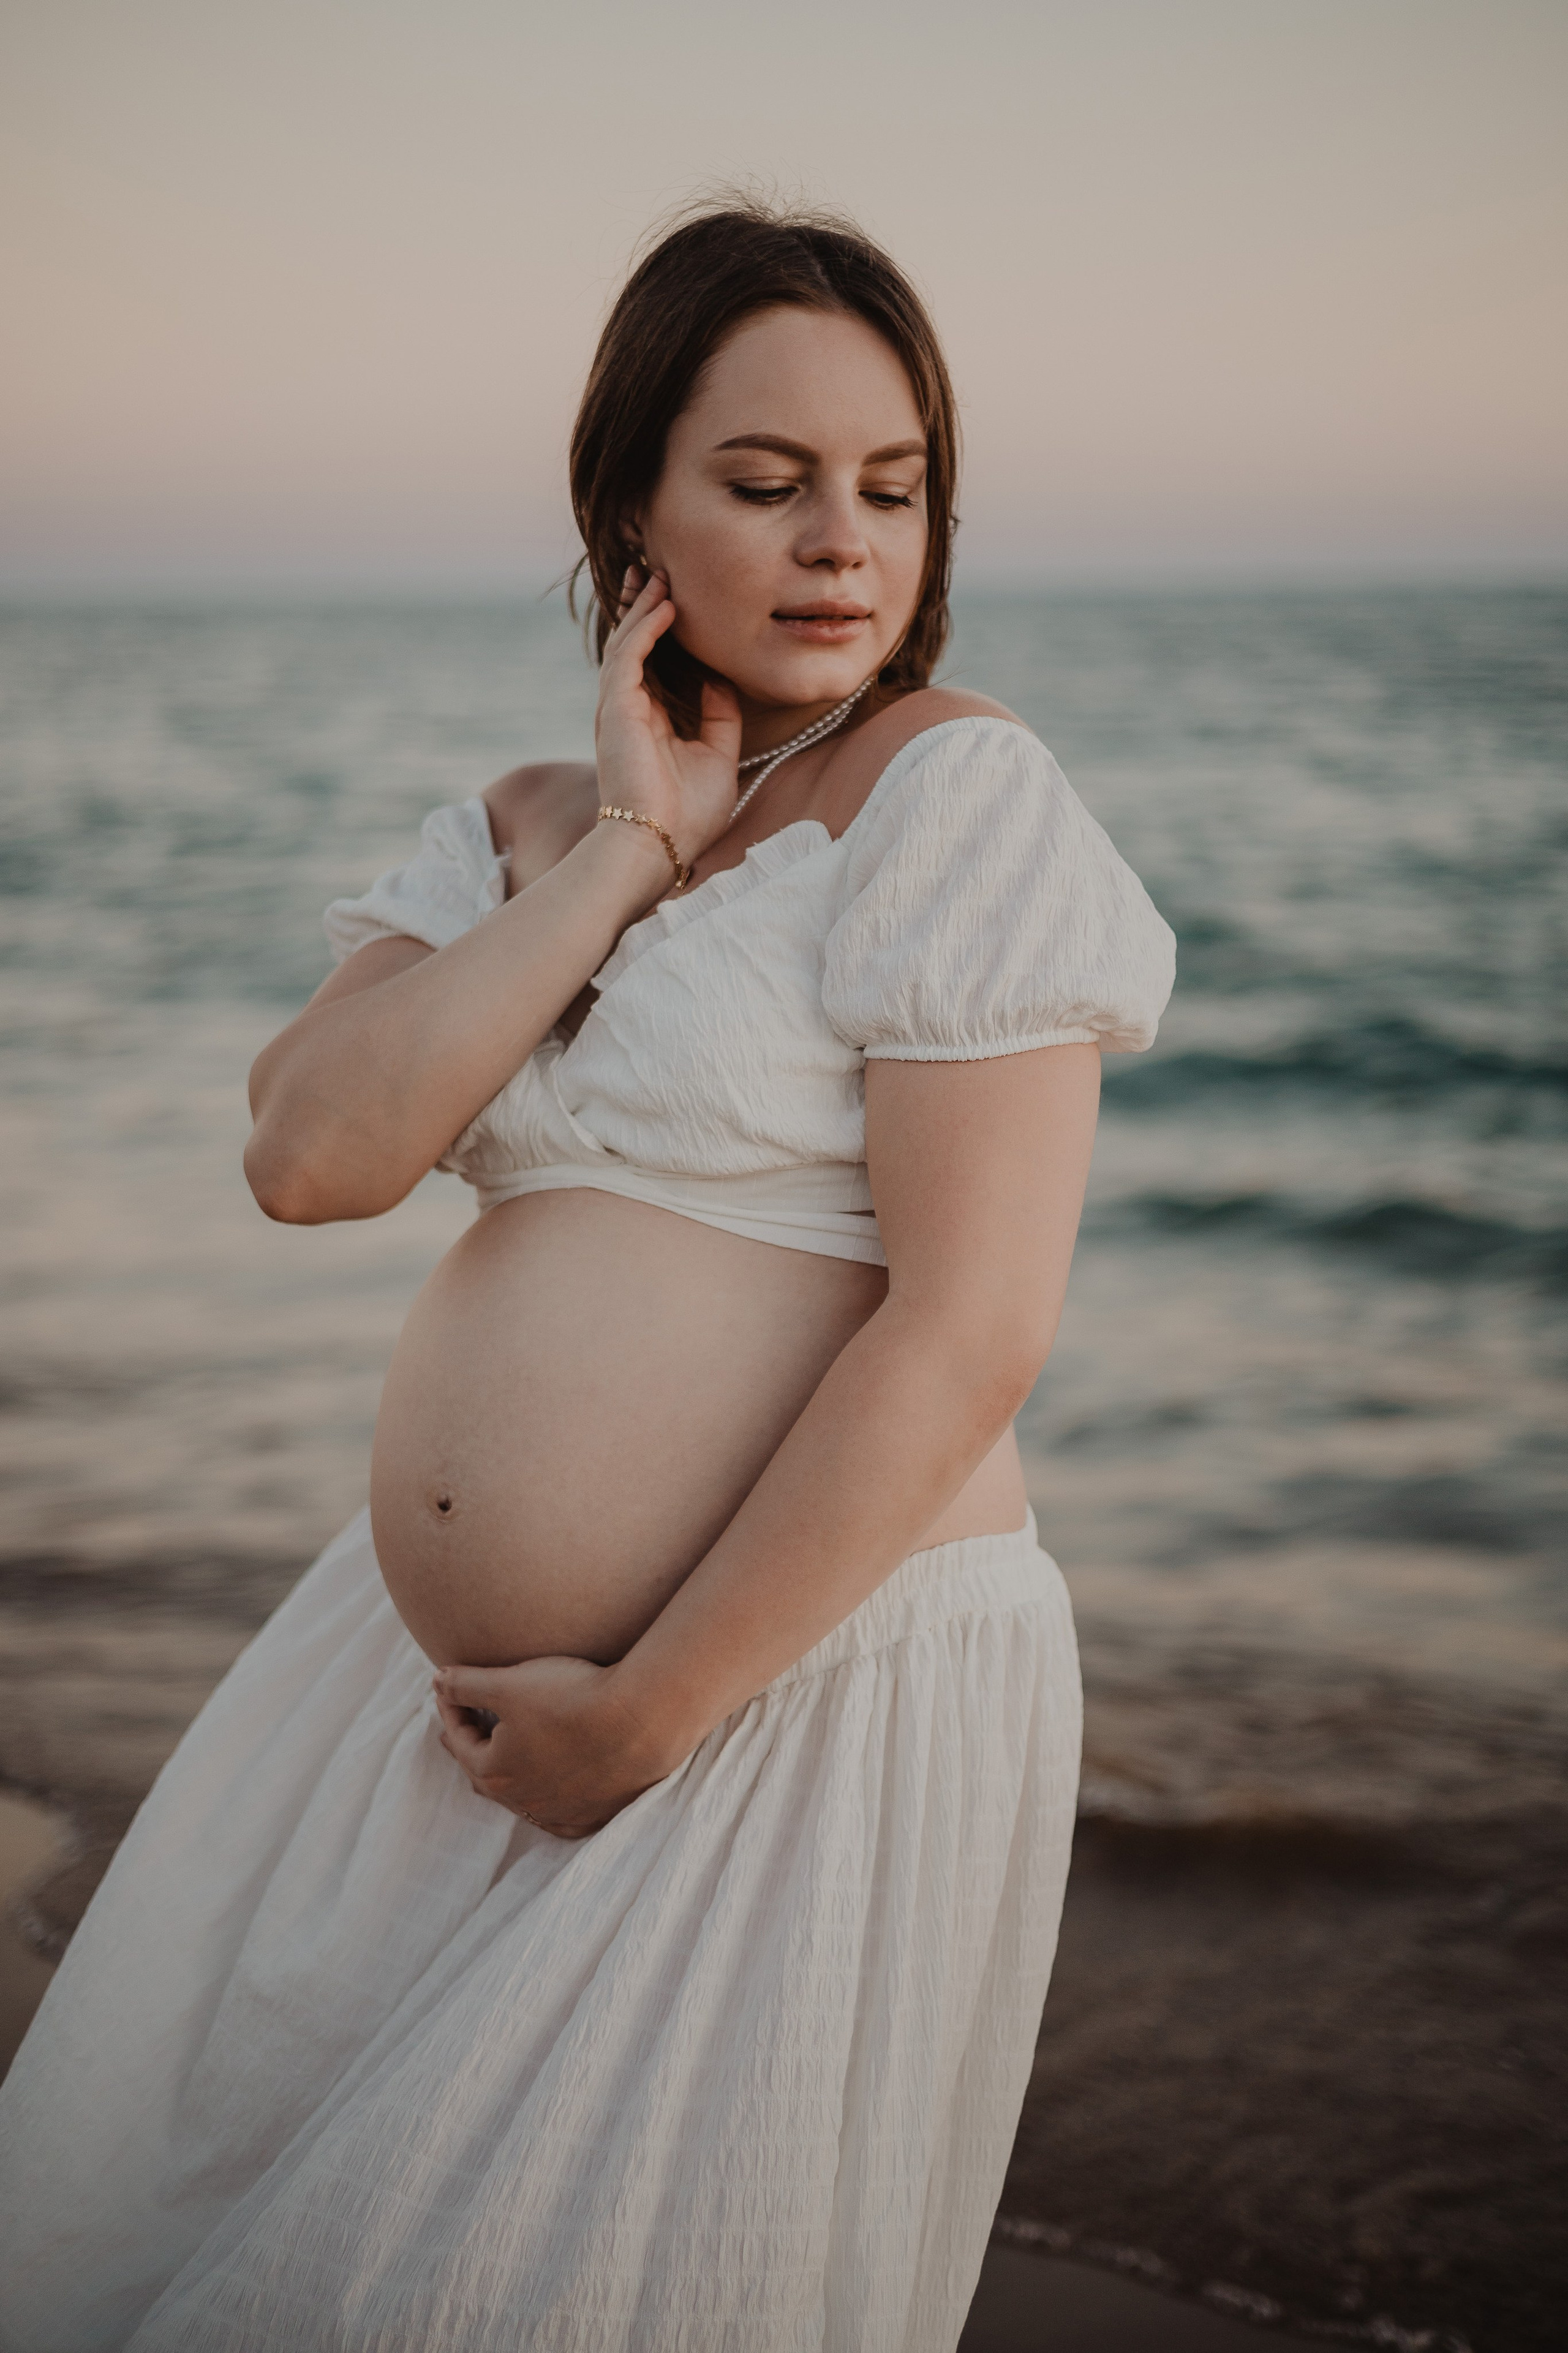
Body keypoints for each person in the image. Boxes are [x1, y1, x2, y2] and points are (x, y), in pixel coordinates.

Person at [0, 198, 1175, 2352]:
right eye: (764, 481)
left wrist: (652, 1708)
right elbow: (313, 1154)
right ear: (625, 504)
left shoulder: (956, 793)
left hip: (786, 1683)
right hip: (406, 1703)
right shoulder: (531, 820)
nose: (845, 544)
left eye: (893, 489)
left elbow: (972, 1326)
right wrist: (629, 844)